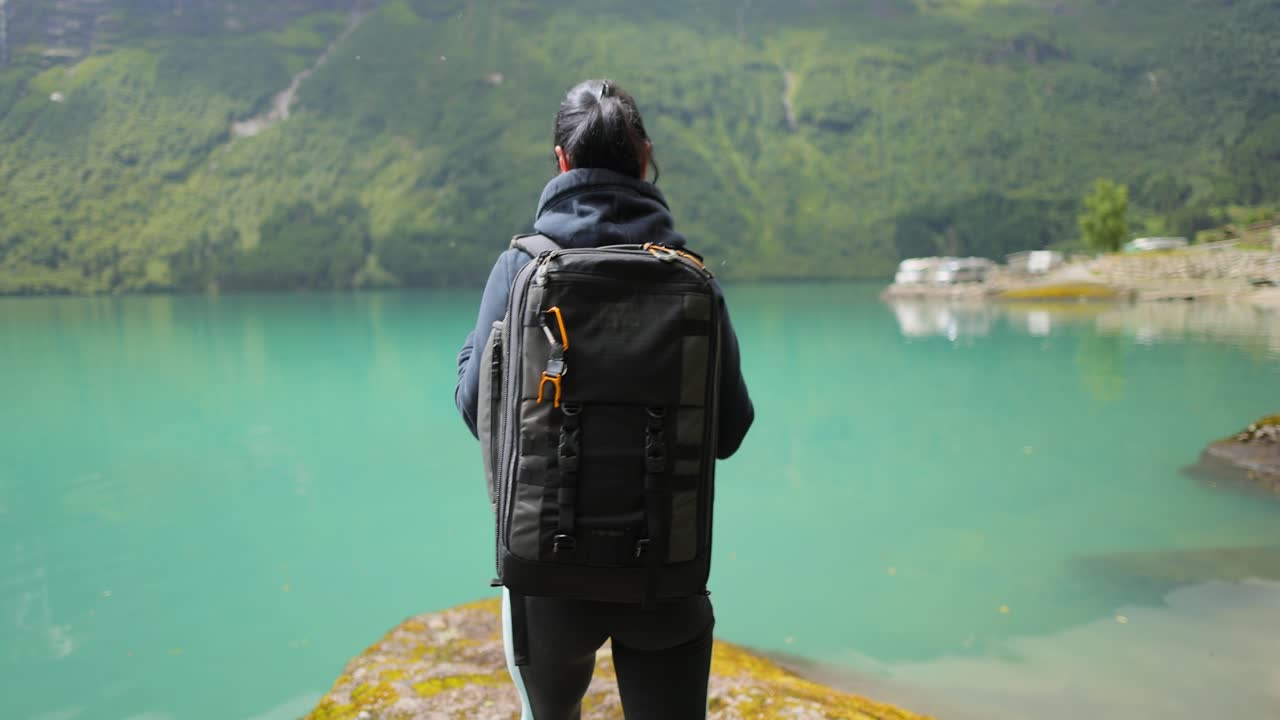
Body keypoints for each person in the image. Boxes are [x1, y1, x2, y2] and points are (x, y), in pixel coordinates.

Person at [454, 79, 754, 720]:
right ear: (644, 157)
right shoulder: (690, 276)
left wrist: (470, 357)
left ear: (560, 160)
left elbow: (474, 405)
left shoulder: (521, 267)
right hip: (664, 575)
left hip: (547, 575)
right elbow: (730, 430)